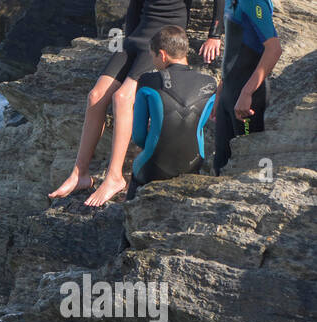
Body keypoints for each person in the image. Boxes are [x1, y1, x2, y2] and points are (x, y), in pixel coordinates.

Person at [48, 0, 222, 206]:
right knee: (95, 96)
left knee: (122, 97)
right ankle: (80, 174)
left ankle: (115, 177)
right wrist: (128, 38)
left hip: (163, 39)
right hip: (137, 37)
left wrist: (214, 36)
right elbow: (134, 6)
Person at [128, 26, 219, 198]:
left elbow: (139, 136)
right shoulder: (210, 83)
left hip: (152, 167)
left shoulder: (148, 81)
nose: (153, 61)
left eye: (152, 56)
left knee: (138, 169)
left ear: (162, 55)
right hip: (192, 165)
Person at [213, 0, 281, 175]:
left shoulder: (254, 2)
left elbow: (274, 49)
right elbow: (233, 52)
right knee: (220, 165)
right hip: (229, 94)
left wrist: (247, 92)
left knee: (250, 168)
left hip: (248, 99)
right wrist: (220, 92)